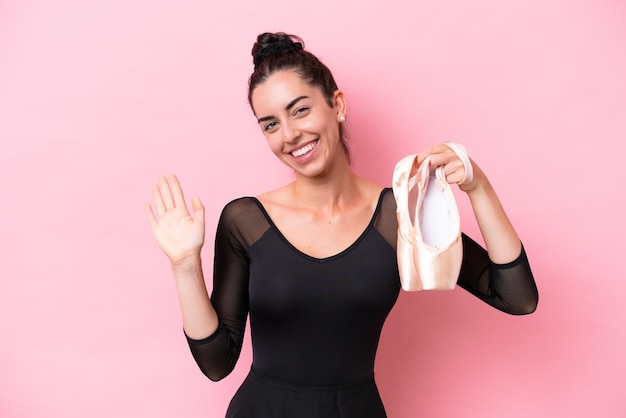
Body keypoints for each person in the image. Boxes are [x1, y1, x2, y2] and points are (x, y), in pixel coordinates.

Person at [145, 32, 538, 418]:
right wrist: (184, 265)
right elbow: (217, 364)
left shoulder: (399, 215)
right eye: (270, 124)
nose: (290, 135)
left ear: (337, 104)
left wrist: (478, 187)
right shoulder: (245, 221)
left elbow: (516, 297)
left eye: (300, 110)